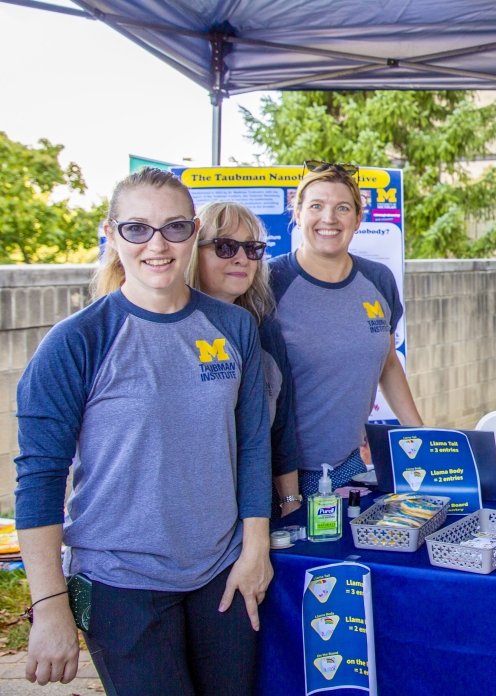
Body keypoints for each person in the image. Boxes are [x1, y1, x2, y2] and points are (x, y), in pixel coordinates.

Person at [14, 168, 272, 694]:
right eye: (137, 229)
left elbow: (250, 446)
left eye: (175, 228)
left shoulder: (234, 327)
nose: (158, 244)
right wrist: (50, 607)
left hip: (221, 572)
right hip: (120, 583)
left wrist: (255, 549)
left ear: (193, 232)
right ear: (110, 235)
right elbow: (39, 480)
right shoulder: (78, 341)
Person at [270, 162, 424, 495]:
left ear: (357, 219)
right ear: (297, 214)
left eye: (342, 208)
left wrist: (421, 437)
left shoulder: (379, 280)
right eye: (316, 206)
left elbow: (387, 362)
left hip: (351, 468)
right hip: (283, 477)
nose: (329, 218)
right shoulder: (270, 283)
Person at [188, 201, 304, 518]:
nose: (241, 258)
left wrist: (290, 505)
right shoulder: (168, 331)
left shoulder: (264, 331)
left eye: (251, 249)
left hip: (256, 515)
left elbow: (280, 430)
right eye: (225, 246)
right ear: (191, 251)